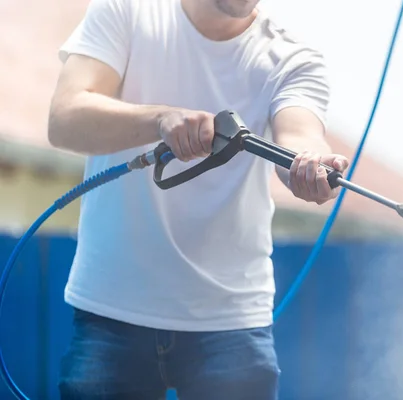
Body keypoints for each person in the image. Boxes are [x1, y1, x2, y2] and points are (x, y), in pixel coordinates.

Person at [47, 0, 349, 398]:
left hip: (231, 320)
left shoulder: (292, 57)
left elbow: (300, 138)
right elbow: (64, 119)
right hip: (112, 310)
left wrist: (311, 165)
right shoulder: (126, 9)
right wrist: (160, 119)